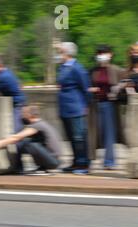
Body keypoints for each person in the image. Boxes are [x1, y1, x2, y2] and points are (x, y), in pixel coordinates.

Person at [0, 105, 62, 173]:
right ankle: (19, 167)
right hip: (53, 160)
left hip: (52, 162)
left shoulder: (37, 125)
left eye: (24, 114)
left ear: (30, 115)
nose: (22, 117)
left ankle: (19, 168)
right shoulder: (42, 123)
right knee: (23, 143)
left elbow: (16, 137)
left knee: (27, 143)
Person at [88, 45, 126, 170]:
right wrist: (91, 89)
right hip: (96, 104)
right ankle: (93, 159)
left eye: (103, 53)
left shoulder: (116, 70)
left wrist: (117, 90)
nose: (101, 56)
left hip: (110, 105)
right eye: (99, 53)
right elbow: (86, 86)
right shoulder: (93, 71)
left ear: (110, 55)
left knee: (109, 134)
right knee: (97, 134)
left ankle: (109, 161)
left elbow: (126, 82)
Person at [55, 42, 91, 175]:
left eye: (60, 52)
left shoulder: (77, 68)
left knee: (79, 137)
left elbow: (85, 89)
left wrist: (85, 105)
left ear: (67, 53)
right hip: (65, 108)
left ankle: (83, 163)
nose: (58, 55)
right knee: (71, 137)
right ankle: (76, 161)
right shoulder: (62, 68)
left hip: (76, 107)